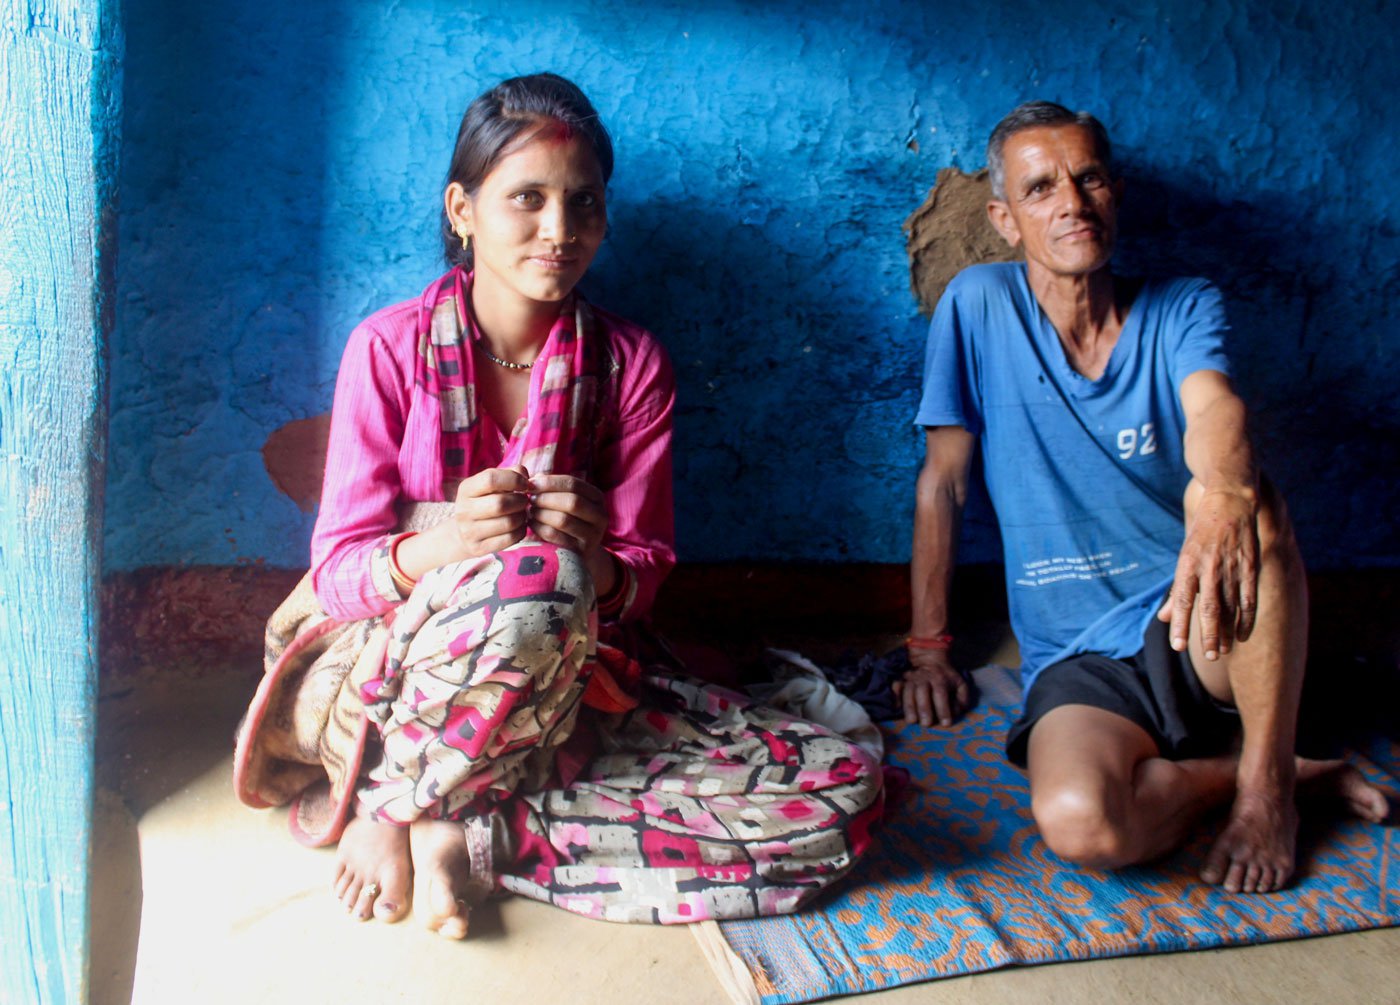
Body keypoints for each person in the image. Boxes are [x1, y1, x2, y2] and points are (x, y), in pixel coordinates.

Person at [235, 73, 882, 938]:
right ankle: (395, 805)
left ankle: (461, 827)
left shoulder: (630, 363)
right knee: (538, 580)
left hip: (558, 687)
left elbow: (643, 580)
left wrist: (598, 562)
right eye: (526, 199)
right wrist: (454, 542)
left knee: (834, 797)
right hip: (383, 683)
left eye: (584, 204)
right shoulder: (387, 349)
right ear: (462, 209)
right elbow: (340, 572)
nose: (559, 230)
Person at [901, 100, 1388, 894]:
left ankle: (1267, 794)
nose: (1072, 202)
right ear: (1004, 219)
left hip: (1198, 619)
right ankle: (1267, 770)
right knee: (1080, 822)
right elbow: (944, 478)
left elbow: (1215, 408)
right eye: (1041, 188)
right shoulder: (978, 305)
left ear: (1114, 192)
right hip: (1081, 656)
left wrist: (1223, 493)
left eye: (1088, 178)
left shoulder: (1183, 305)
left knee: (1254, 505)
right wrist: (927, 647)